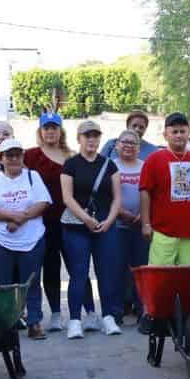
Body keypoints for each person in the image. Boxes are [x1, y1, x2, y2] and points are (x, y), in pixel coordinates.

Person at [0, 136, 52, 328]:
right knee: (1, 285)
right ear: (1, 158)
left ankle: (34, 322)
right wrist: (11, 217)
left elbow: (43, 202)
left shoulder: (32, 176)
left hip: (31, 239)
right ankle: (5, 323)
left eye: (17, 155)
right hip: (0, 240)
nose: (13, 159)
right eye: (9, 155)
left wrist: (21, 219)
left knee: (32, 282)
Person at [61, 121, 124, 338]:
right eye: (87, 135)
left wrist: (109, 220)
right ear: (79, 138)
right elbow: (67, 198)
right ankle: (75, 320)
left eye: (95, 136)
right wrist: (86, 219)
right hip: (77, 226)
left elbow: (117, 198)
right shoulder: (70, 165)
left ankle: (108, 316)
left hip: (105, 226)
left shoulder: (110, 165)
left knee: (106, 273)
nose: (92, 140)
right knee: (78, 273)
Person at [140, 112, 190, 266]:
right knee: (161, 280)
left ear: (189, 133)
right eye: (174, 132)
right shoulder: (154, 160)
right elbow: (145, 192)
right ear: (165, 134)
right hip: (163, 232)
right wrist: (146, 224)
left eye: (182, 131)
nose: (179, 135)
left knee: (189, 280)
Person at [23, 112, 73, 338]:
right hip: (41, 222)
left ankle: (82, 314)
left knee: (76, 267)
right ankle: (54, 313)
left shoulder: (71, 157)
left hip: (70, 220)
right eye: (46, 128)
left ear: (60, 130)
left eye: (54, 127)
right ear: (40, 131)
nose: (50, 131)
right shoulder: (30, 156)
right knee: (49, 269)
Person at [111, 130, 150, 317]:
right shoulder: (111, 166)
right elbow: (107, 197)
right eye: (124, 142)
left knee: (142, 269)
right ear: (117, 145)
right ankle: (117, 311)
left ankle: (143, 309)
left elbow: (151, 195)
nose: (128, 145)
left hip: (141, 225)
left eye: (133, 143)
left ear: (139, 148)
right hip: (117, 226)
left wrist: (143, 217)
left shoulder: (146, 166)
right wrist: (122, 213)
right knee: (117, 268)